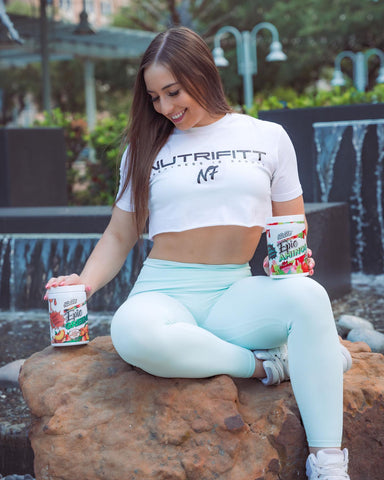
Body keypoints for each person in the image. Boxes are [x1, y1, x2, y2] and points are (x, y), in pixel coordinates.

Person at [45, 27, 352, 479]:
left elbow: (292, 224)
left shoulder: (267, 137)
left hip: (234, 290)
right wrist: (84, 284)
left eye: (173, 91)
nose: (165, 107)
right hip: (164, 288)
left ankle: (328, 462)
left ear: (203, 73)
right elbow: (118, 235)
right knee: (133, 332)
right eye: (154, 97)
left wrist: (289, 258)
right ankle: (267, 365)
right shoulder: (143, 150)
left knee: (308, 297)